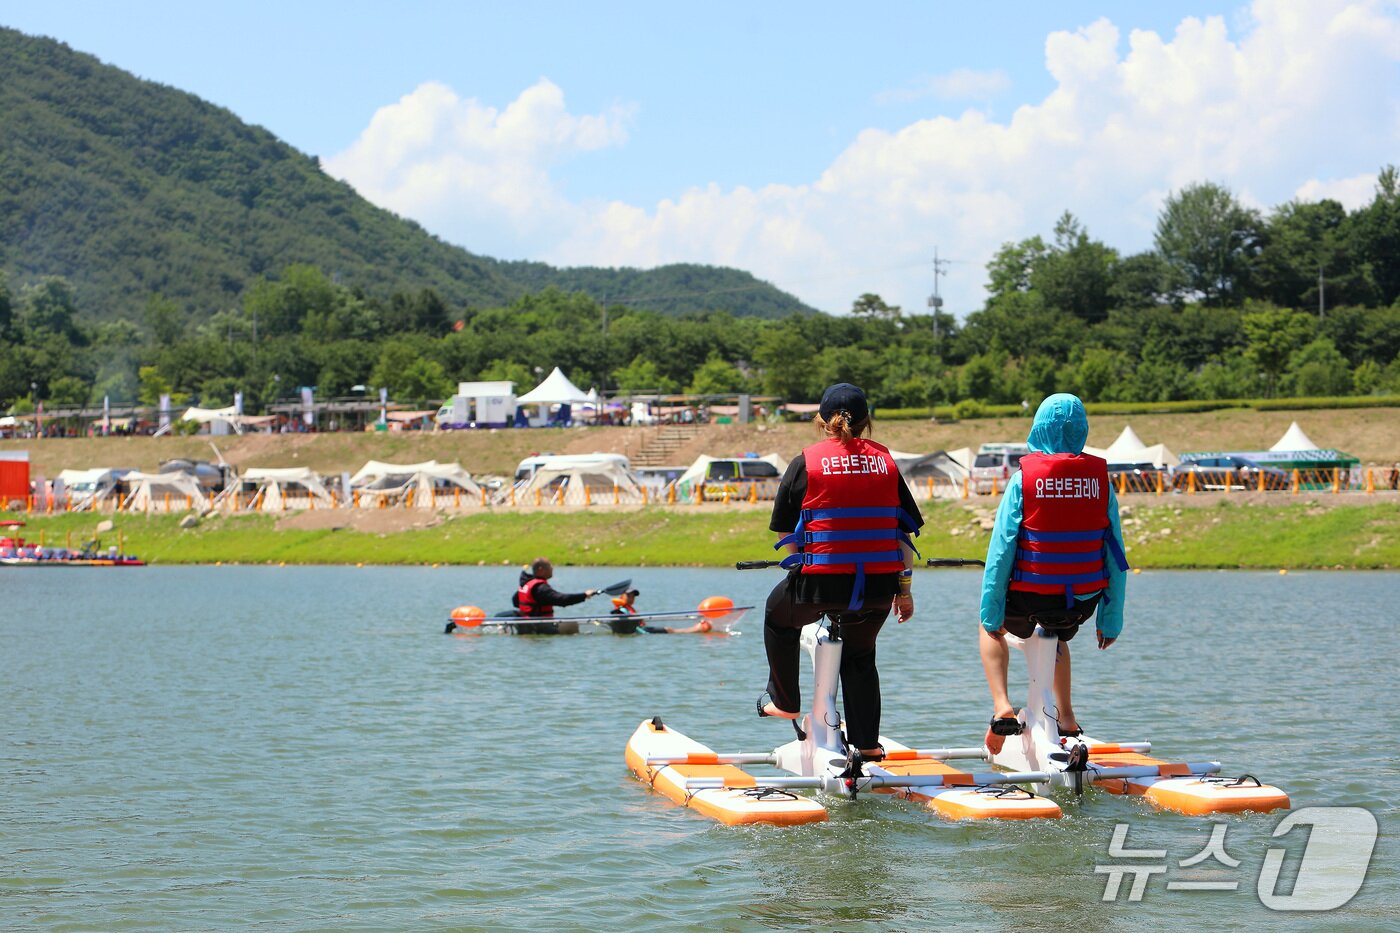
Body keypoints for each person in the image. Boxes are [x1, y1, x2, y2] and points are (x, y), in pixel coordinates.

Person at [759, 383, 923, 761]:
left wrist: (802, 564)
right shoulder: (887, 463)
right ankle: (867, 743)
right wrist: (905, 590)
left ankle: (784, 701)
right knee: (861, 654)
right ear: (868, 422)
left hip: (819, 587)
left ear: (821, 421)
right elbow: (904, 532)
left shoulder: (806, 461)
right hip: (879, 589)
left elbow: (786, 532)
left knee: (777, 617)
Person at [978, 393, 1129, 753]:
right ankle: (1067, 718)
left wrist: (992, 612)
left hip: (1028, 595)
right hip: (1080, 603)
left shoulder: (1023, 481)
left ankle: (1002, 707)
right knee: (1056, 635)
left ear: (1038, 428)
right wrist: (1110, 620)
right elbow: (1116, 556)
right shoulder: (1100, 482)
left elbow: (1001, 553)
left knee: (989, 629)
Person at [508, 557, 597, 618]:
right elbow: (562, 600)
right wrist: (584, 595)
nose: (552, 568)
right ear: (540, 569)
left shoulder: (527, 584)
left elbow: (515, 602)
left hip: (527, 625)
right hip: (538, 627)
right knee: (571, 627)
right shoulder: (541, 588)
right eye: (549, 566)